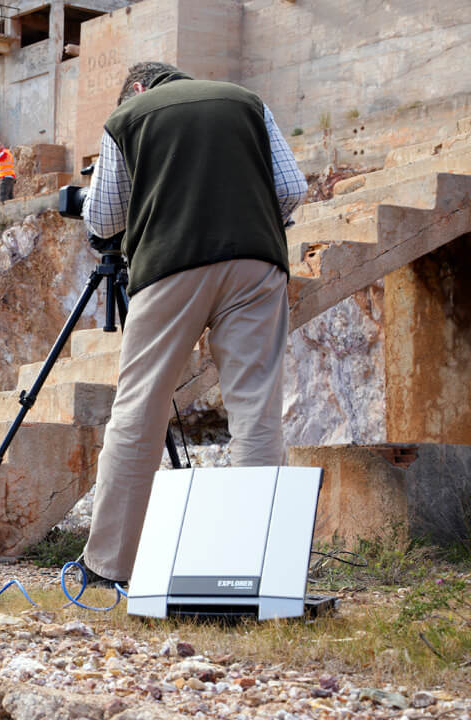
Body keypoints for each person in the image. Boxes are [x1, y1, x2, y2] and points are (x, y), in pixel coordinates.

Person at [79, 62, 307, 585]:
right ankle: (260, 568)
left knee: (140, 407)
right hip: (257, 261)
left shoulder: (127, 117)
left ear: (135, 88)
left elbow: (103, 220)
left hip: (169, 266)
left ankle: (110, 568)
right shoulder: (246, 100)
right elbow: (292, 189)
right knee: (255, 409)